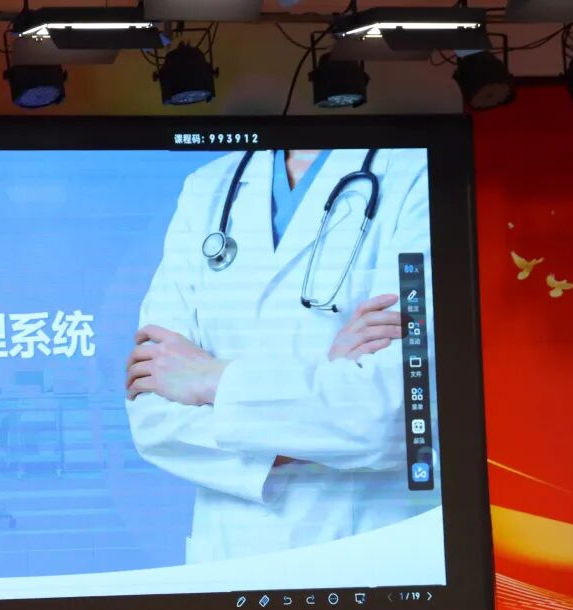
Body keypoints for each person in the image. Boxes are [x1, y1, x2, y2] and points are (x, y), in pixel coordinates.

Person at [125, 148, 437, 563]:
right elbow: (152, 418)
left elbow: (392, 420)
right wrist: (329, 390)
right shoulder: (208, 186)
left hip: (366, 547)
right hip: (228, 557)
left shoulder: (415, 172)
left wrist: (211, 379)